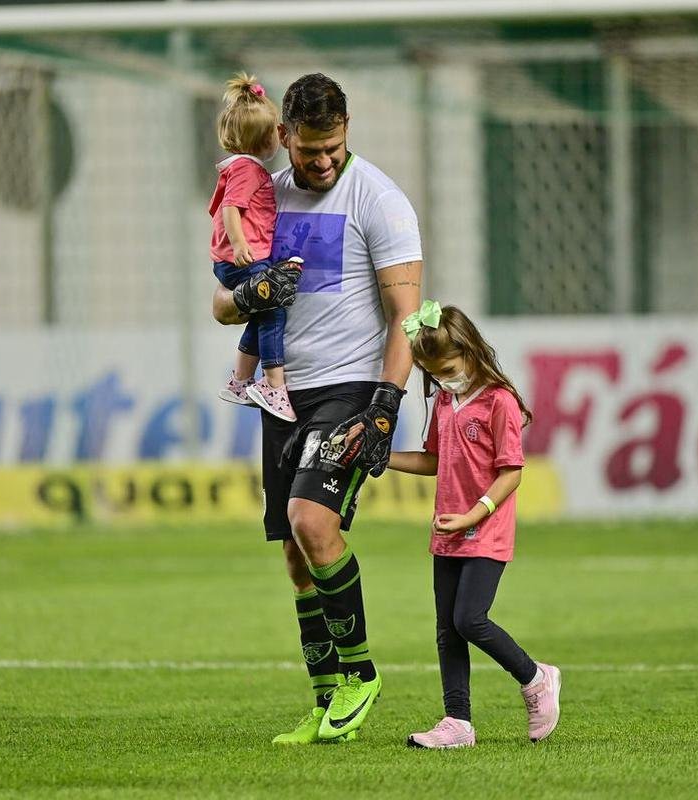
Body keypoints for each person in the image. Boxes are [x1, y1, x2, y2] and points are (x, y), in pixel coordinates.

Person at [211, 73, 422, 744]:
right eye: (308, 151)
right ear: (283, 138)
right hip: (281, 393)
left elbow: (406, 318)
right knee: (297, 555)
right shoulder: (260, 196)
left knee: (311, 519)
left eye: (332, 147)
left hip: (351, 390)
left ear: (347, 128)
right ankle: (325, 697)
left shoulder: (380, 201)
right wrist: (250, 295)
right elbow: (220, 304)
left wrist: (384, 406)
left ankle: (362, 675)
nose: (322, 161)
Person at [386, 301, 561, 748]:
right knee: (447, 628)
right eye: (433, 371)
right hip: (448, 529)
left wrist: (473, 513)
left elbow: (512, 471)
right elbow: (433, 460)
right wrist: (384, 459)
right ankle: (457, 722)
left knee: (469, 619)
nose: (442, 377)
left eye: (447, 366)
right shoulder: (445, 400)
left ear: (470, 350)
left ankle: (535, 676)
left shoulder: (499, 401)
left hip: (484, 527)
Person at [210, 72, 304, 422]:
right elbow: (231, 208)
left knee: (264, 310)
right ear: (265, 140)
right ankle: (273, 384)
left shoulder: (239, 168)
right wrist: (239, 244)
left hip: (234, 260)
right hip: (240, 259)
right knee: (275, 303)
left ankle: (240, 380)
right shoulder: (249, 170)